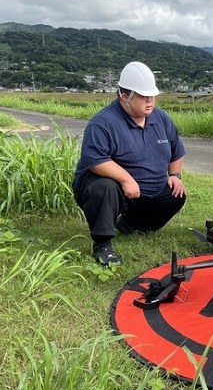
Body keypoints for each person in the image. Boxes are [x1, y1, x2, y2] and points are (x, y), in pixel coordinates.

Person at [72, 61, 187, 266]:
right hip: (115, 188)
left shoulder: (160, 119)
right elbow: (95, 161)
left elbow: (176, 150)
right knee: (104, 186)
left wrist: (175, 176)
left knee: (176, 194)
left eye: (152, 96)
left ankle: (131, 226)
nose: (150, 101)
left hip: (146, 191)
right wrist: (126, 179)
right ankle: (102, 244)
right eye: (144, 97)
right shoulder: (103, 123)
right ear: (125, 96)